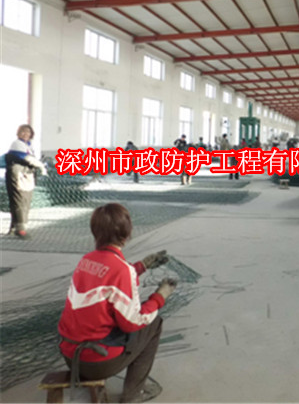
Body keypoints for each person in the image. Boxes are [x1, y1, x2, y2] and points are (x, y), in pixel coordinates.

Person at [58, 203, 177, 403]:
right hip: (97, 362)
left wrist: (141, 266)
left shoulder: (86, 260)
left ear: (95, 232)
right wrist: (159, 297)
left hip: (70, 356)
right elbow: (132, 322)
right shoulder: (122, 270)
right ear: (127, 233)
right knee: (154, 323)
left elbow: (107, 281)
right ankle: (133, 395)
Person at [4, 124, 47, 238]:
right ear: (18, 133)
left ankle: (14, 227)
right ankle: (21, 229)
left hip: (26, 175)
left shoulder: (28, 146)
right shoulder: (17, 144)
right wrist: (41, 166)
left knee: (25, 200)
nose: (25, 134)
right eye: (22, 131)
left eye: (28, 132)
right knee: (19, 200)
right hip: (17, 174)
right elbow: (26, 158)